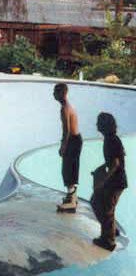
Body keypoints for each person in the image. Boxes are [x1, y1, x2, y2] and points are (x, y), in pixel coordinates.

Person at [90, 113, 127, 251]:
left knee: (103, 207)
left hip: (115, 182)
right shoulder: (111, 139)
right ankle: (111, 231)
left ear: (104, 125)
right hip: (116, 181)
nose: (97, 125)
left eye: (99, 122)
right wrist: (100, 169)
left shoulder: (111, 140)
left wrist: (102, 181)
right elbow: (115, 160)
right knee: (101, 204)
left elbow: (116, 163)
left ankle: (109, 241)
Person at [53, 83, 83, 213]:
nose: (53, 94)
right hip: (75, 140)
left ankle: (71, 201)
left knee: (68, 170)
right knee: (71, 169)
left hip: (72, 140)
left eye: (55, 92)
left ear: (62, 93)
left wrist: (63, 147)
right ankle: (72, 198)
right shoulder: (67, 107)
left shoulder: (65, 109)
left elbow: (67, 131)